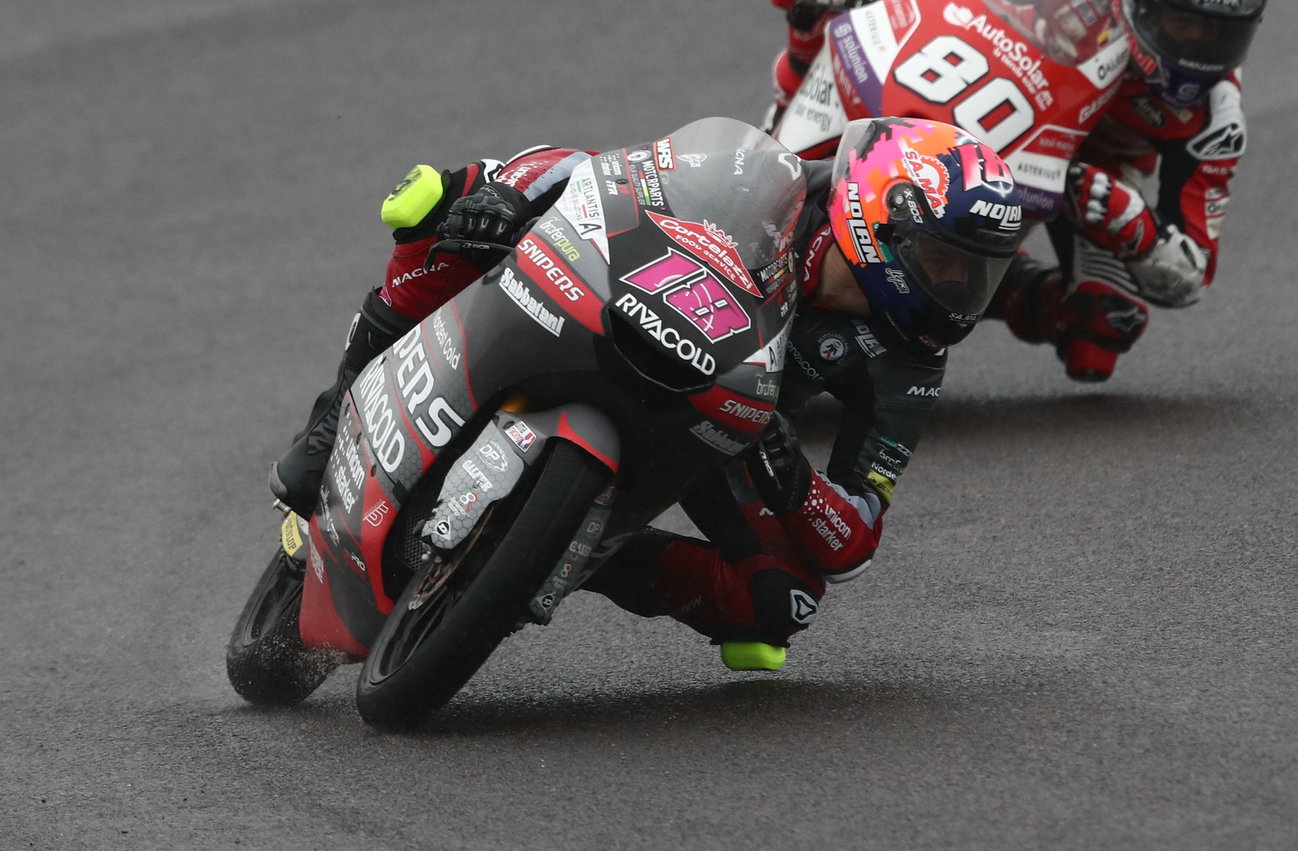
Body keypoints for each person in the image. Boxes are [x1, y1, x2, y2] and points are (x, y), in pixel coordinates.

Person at [268, 116, 1023, 671]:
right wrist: (508, 199)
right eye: (946, 263)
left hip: (729, 430)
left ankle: (567, 555)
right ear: (876, 220)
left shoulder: (910, 364)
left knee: (781, 600)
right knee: (447, 199)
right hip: (628, 302)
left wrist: (793, 478)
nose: (959, 295)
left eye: (975, 276)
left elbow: (854, 540)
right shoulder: (780, 185)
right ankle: (332, 416)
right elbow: (620, 173)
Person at [764, 0, 1268, 382]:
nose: (1199, 50)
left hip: (1088, 183)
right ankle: (783, 116)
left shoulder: (1215, 118)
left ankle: (1010, 293)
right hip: (1003, 117)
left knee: (1102, 322)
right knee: (822, 5)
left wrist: (1132, 224)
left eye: (1220, 33)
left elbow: (1192, 275)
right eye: (1181, 23)